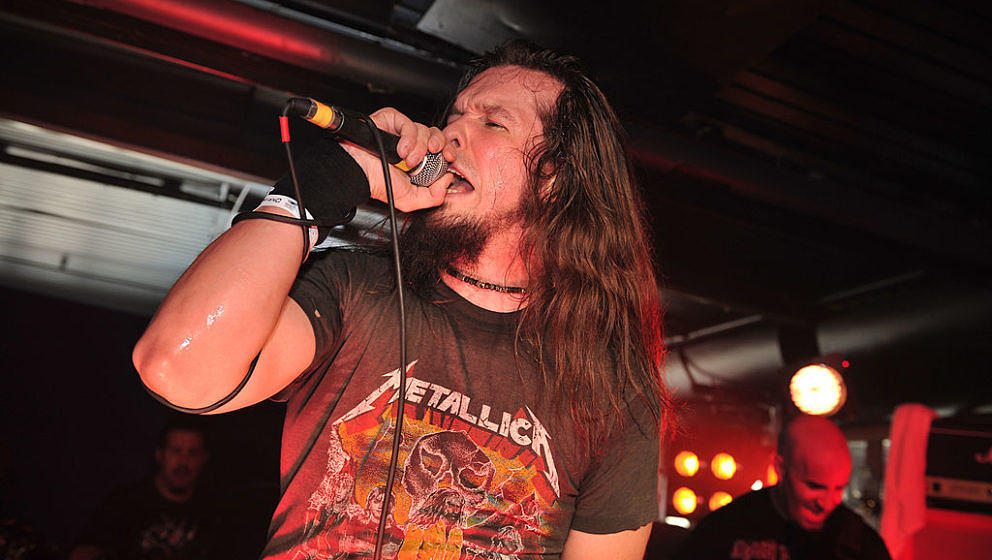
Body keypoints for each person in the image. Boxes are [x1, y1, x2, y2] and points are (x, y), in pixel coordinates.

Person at [133, 40, 669, 559]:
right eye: (454, 116)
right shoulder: (355, 288)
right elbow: (176, 365)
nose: (450, 133)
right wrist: (322, 186)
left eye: (491, 122)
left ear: (555, 176)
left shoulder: (611, 385)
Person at [672, 415, 892, 560]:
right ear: (780, 468)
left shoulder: (862, 544)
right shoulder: (727, 527)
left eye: (838, 488)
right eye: (814, 486)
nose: (826, 503)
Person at [69, 419, 214, 560]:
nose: (183, 462)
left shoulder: (214, 509)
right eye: (176, 451)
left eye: (192, 453)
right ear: (160, 455)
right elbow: (82, 552)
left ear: (204, 459)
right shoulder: (126, 501)